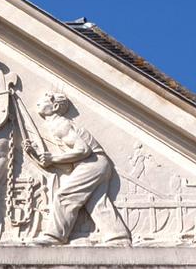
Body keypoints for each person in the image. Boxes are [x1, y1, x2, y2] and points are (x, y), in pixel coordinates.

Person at [27, 92, 131, 246]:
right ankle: (118, 237)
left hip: (91, 163)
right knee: (96, 202)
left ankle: (54, 237)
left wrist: (53, 159)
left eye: (44, 100)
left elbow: (83, 150)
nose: (38, 103)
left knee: (64, 195)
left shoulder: (60, 125)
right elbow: (70, 160)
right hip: (97, 163)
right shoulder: (57, 124)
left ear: (55, 107)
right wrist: (37, 155)